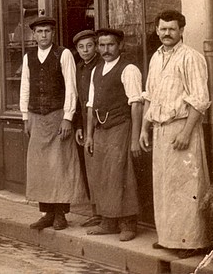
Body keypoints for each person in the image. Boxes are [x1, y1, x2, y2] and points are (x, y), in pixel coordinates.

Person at [140, 10, 211, 258]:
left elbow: (200, 100)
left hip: (182, 128)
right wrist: (144, 128)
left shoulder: (191, 58)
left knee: (186, 186)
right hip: (160, 130)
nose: (166, 33)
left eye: (171, 29)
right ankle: (170, 237)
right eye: (162, 29)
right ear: (157, 30)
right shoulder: (156, 58)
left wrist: (186, 132)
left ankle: (191, 241)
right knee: (164, 186)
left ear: (181, 30)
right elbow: (149, 95)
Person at [20, 16, 86, 231]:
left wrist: (68, 117)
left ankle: (60, 214)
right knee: (40, 167)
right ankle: (46, 212)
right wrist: (25, 116)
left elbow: (71, 87)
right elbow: (25, 86)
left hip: (58, 114)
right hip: (36, 116)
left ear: (53, 33)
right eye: (39, 32)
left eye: (47, 31)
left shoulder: (63, 54)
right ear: (34, 35)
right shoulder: (28, 57)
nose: (43, 35)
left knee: (60, 165)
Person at [84, 28, 142, 241]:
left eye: (110, 45)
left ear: (120, 46)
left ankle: (128, 223)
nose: (105, 49)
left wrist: (135, 138)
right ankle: (108, 221)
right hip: (100, 130)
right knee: (102, 173)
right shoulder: (96, 70)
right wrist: (89, 135)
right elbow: (91, 105)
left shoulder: (129, 69)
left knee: (121, 173)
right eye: (102, 45)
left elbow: (136, 105)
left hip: (121, 127)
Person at [72, 29, 102, 228]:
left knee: (102, 169)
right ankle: (95, 210)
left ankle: (104, 211)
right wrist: (79, 126)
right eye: (81, 47)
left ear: (96, 46)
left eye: (89, 46)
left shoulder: (101, 66)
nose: (85, 50)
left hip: (102, 123)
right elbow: (78, 99)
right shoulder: (79, 68)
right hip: (85, 123)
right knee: (88, 168)